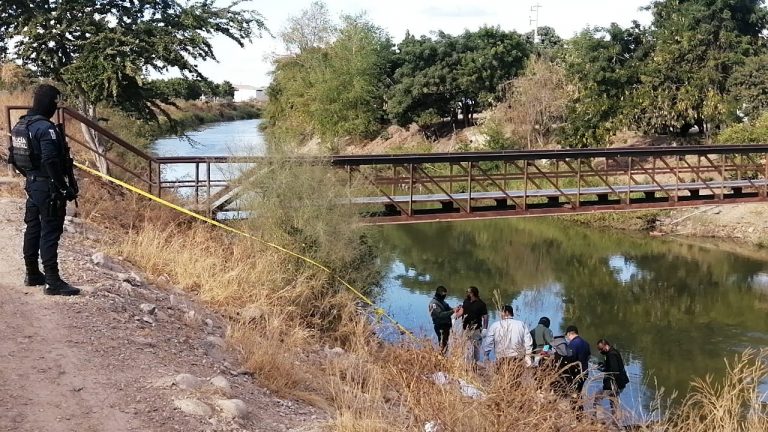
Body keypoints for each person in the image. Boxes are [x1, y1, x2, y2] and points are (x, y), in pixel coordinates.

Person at [9, 84, 80, 295]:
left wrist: (32, 176)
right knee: (50, 231)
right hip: (47, 187)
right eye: (55, 103)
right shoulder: (45, 128)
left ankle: (32, 273)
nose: (56, 106)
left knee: (33, 228)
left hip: (33, 184)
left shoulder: (21, 126)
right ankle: (52, 281)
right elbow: (50, 159)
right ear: (50, 102)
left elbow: (14, 158)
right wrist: (63, 187)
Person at [485, 305, 533, 371]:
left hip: (501, 358)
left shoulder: (495, 325)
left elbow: (488, 342)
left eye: (501, 312)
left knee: (501, 378)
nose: (500, 315)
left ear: (506, 312)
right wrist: (528, 357)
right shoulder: (521, 324)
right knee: (516, 378)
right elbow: (528, 342)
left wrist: (486, 356)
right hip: (518, 359)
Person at [594, 339, 629, 415]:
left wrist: (604, 370)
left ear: (606, 345)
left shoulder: (611, 354)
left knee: (597, 397)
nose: (600, 351)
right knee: (613, 402)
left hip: (615, 384)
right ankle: (615, 422)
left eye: (601, 349)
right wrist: (604, 365)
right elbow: (613, 367)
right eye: (599, 350)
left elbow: (614, 371)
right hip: (620, 383)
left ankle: (599, 419)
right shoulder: (613, 352)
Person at [428, 285, 460, 354]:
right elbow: (440, 315)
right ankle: (441, 357)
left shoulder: (442, 301)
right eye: (444, 294)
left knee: (445, 343)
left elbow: (449, 309)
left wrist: (456, 309)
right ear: (439, 294)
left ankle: (443, 356)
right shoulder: (433, 303)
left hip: (446, 326)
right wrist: (453, 311)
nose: (445, 296)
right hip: (440, 326)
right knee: (442, 343)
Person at [462, 286, 488, 364]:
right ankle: (466, 363)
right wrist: (455, 317)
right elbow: (462, 311)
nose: (467, 293)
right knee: (465, 346)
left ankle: (475, 363)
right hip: (465, 329)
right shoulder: (466, 301)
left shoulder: (481, 304)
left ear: (472, 293)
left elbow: (485, 317)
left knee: (476, 347)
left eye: (468, 292)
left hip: (476, 329)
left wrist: (485, 329)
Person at [565, 325, 591, 395]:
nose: (567, 337)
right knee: (579, 393)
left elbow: (570, 359)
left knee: (573, 394)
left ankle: (576, 405)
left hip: (576, 373)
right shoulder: (586, 343)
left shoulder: (572, 344)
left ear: (569, 333)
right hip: (585, 372)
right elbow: (589, 357)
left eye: (567, 336)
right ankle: (579, 405)